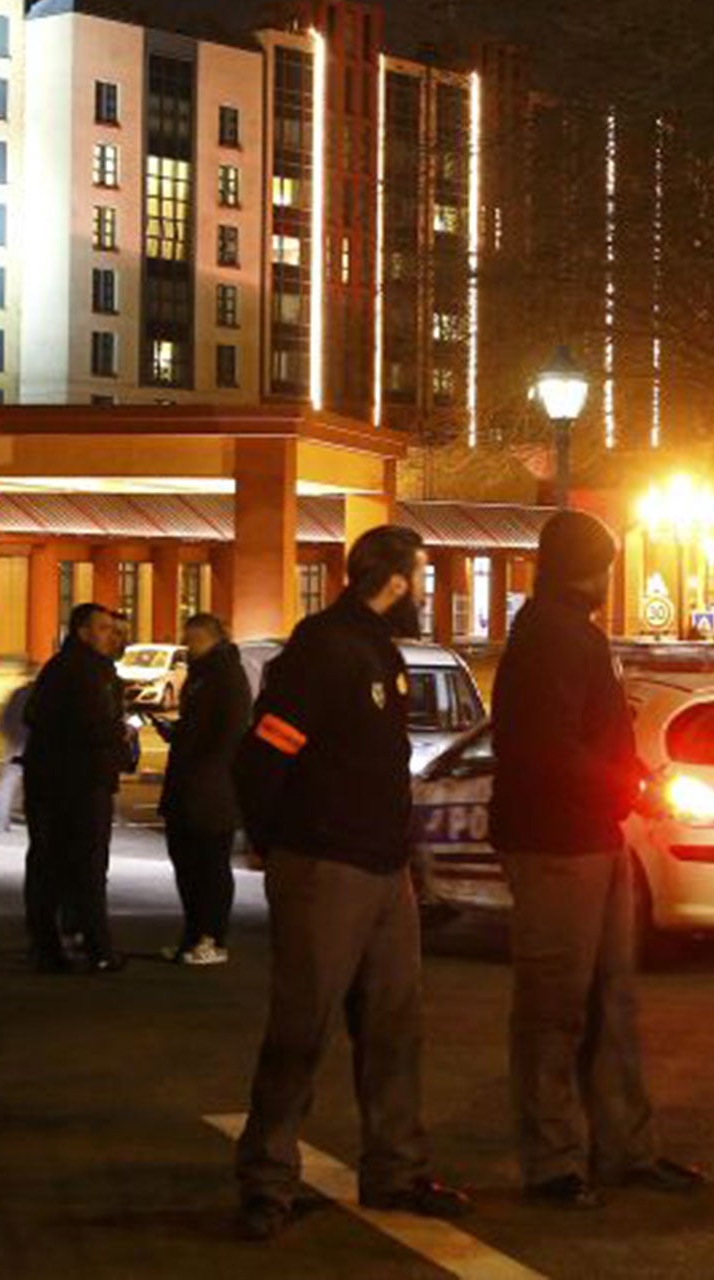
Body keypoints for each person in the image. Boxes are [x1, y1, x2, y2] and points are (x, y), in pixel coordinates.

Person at [230, 525, 469, 1240]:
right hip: (327, 867)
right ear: (394, 578)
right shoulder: (327, 648)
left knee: (395, 1027)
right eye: (421, 575)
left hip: (381, 867)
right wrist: (280, 845)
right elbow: (263, 755)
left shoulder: (377, 648)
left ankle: (395, 1169)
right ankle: (267, 1181)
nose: (425, 591)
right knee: (302, 1027)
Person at [491, 510, 703, 1209]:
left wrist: (630, 777)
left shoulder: (566, 632)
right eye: (606, 564)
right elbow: (548, 747)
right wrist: (627, 782)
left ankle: (622, 1147)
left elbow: (581, 737)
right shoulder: (551, 636)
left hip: (592, 836)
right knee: (556, 1007)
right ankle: (554, 1160)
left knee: (611, 1001)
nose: (610, 578)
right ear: (587, 567)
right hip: (557, 842)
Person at [21, 602, 132, 973]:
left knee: (52, 864)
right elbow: (91, 724)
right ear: (83, 631)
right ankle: (94, 946)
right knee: (83, 865)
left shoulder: (69, 668)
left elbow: (35, 714)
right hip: (79, 783)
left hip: (60, 780)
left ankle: (53, 943)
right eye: (102, 628)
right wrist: (118, 734)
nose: (110, 635)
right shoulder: (86, 671)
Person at [155, 612, 252, 965]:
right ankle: (192, 935)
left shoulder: (225, 675)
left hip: (211, 790)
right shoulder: (203, 674)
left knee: (210, 866)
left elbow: (228, 732)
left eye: (192, 639)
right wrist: (178, 733)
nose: (186, 645)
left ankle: (212, 938)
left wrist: (197, 755)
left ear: (211, 639)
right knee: (188, 865)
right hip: (190, 784)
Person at [0, 678, 35, 834]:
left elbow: (3, 719)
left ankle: (1, 821)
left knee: (8, 782)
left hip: (15, 743)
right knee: (35, 784)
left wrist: (11, 736)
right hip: (35, 745)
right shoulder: (46, 696)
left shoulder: (18, 693)